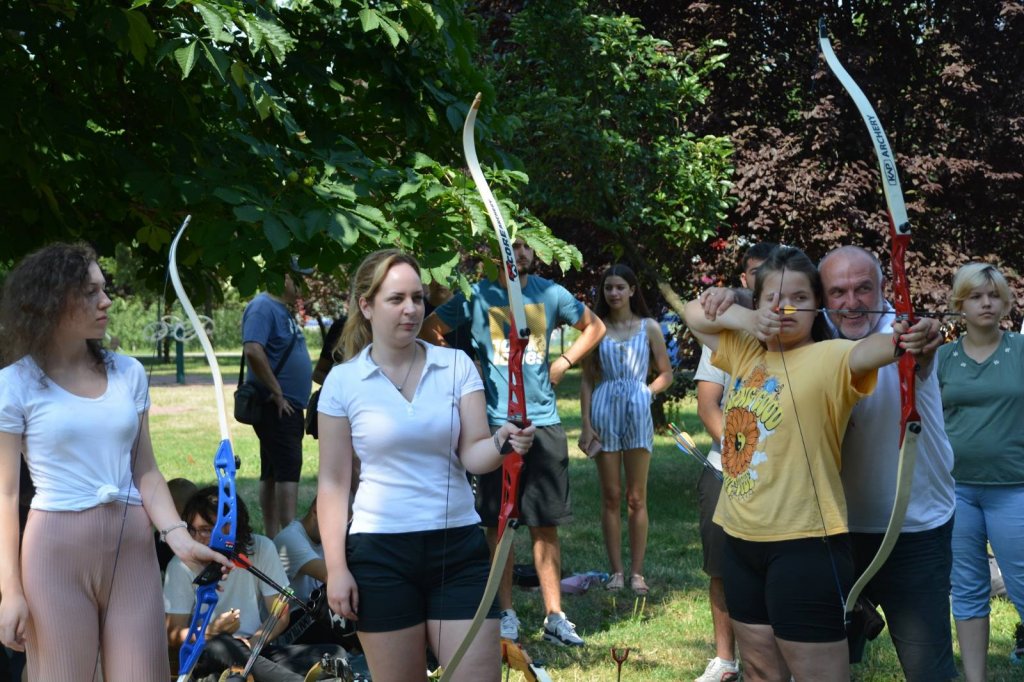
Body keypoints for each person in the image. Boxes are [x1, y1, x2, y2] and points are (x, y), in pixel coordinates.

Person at [683, 245, 930, 682]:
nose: (785, 308)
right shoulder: (743, 351)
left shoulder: (832, 357)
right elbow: (692, 312)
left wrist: (911, 335)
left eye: (799, 297)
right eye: (773, 299)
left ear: (817, 305)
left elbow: (880, 348)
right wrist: (746, 317)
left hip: (804, 545)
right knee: (760, 671)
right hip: (739, 538)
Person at [0, 243, 228, 681]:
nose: (106, 301)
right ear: (52, 300)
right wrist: (10, 591)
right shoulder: (15, 384)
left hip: (134, 550)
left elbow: (146, 470)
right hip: (55, 554)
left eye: (104, 289)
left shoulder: (129, 373)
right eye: (90, 292)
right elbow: (6, 496)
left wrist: (179, 539)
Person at [317, 249, 535, 681]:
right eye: (396, 299)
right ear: (366, 305)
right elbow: (334, 484)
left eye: (417, 298)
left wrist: (502, 441)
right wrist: (337, 569)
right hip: (379, 555)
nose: (412, 309)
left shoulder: (455, 365)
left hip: (458, 550)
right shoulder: (343, 381)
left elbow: (474, 454)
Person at [420, 238, 605, 647]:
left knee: (545, 523)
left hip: (543, 423)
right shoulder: (477, 295)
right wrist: (464, 364)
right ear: (494, 252)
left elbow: (595, 326)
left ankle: (555, 616)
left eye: (525, 247)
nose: (519, 253)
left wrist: (564, 362)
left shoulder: (549, 293)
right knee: (499, 524)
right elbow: (429, 328)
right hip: (494, 427)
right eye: (512, 246)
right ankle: (505, 613)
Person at [817, 246, 956, 681]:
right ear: (821, 297)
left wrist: (923, 338)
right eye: (837, 292)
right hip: (832, 532)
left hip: (912, 529)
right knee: (821, 666)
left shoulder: (903, 332)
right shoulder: (810, 338)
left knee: (929, 671)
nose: (851, 302)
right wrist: (727, 299)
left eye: (863, 288)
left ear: (883, 288)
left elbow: (920, 343)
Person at [936, 263, 1024, 681]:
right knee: (967, 588)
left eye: (993, 295)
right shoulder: (942, 358)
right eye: (975, 296)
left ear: (1004, 302)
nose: (986, 303)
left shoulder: (1020, 350)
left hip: (1014, 488)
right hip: (956, 491)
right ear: (960, 304)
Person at [692, 242, 775, 682]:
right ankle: (725, 659)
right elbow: (709, 405)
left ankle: (780, 661)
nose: (762, 279)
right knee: (722, 568)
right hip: (726, 468)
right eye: (755, 272)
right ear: (744, 279)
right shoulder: (724, 331)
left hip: (779, 475)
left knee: (777, 570)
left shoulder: (798, 332)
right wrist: (740, 450)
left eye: (772, 272)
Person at [165, 487, 340, 681]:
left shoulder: (262, 548)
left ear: (231, 528)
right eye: (192, 529)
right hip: (209, 652)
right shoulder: (179, 566)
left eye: (206, 530)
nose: (197, 538)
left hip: (254, 649)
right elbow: (173, 634)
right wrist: (211, 631)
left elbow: (280, 615)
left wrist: (253, 642)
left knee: (333, 655)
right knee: (223, 645)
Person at [578, 264, 672, 596]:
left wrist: (647, 392)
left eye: (620, 287)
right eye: (608, 288)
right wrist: (585, 425)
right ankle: (616, 571)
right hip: (603, 413)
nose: (614, 293)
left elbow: (666, 373)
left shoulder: (649, 327)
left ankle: (637, 573)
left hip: (637, 413)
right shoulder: (596, 329)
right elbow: (587, 380)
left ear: (632, 290)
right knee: (611, 495)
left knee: (636, 497)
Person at [242, 266, 313, 537]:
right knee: (288, 470)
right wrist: (278, 393)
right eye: (298, 278)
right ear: (284, 276)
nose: (303, 284)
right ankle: (289, 540)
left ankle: (274, 537)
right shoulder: (262, 307)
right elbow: (253, 349)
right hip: (278, 406)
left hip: (285, 406)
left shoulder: (281, 309)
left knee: (272, 471)